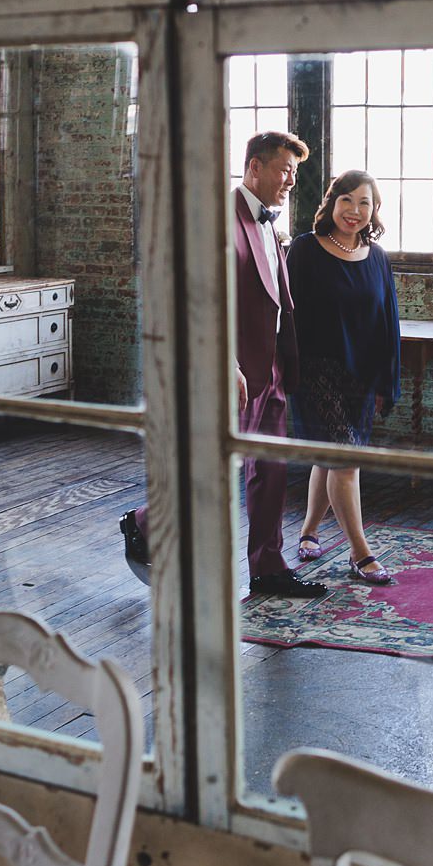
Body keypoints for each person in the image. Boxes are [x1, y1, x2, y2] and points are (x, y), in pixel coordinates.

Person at [118, 131, 326, 598]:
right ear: (254, 167)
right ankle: (144, 523)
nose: (291, 180)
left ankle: (268, 568)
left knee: (270, 469)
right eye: (285, 170)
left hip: (272, 366)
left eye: (295, 172)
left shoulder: (268, 221)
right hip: (233, 371)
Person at [286, 170, 401, 585]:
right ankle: (360, 553)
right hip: (316, 373)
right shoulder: (304, 249)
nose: (355, 210)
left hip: (361, 374)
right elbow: (286, 314)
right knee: (345, 459)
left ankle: (308, 531)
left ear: (374, 210)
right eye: (347, 200)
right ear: (331, 204)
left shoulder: (377, 257)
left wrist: (386, 382)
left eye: (364, 203)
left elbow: (388, 321)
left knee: (331, 457)